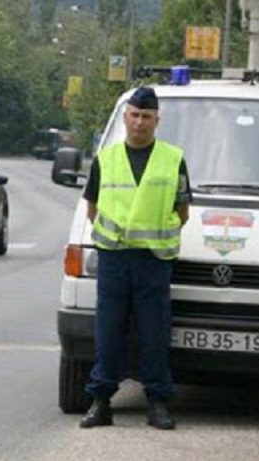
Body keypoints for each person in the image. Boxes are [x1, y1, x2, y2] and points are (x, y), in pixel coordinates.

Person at [79, 87, 191, 430]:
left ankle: (157, 403)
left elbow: (183, 211)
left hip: (153, 259)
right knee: (108, 332)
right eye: (135, 115)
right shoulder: (105, 159)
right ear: (125, 117)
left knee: (154, 333)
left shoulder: (173, 159)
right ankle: (101, 402)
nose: (140, 123)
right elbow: (92, 209)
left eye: (147, 117)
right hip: (114, 258)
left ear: (157, 121)